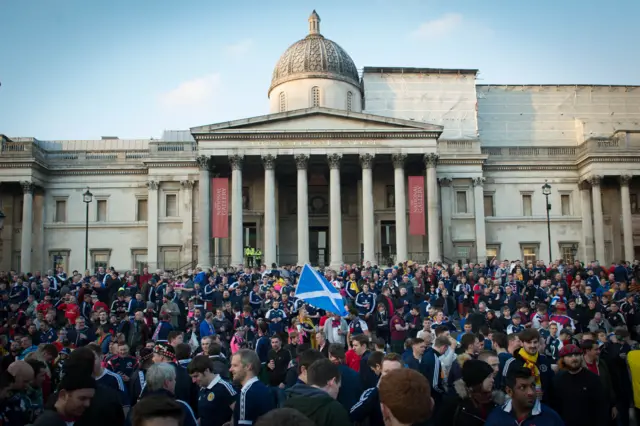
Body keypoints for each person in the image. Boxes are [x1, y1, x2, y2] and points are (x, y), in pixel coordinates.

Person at [550, 344, 608, 426]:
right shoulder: (557, 380)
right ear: (563, 359)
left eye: (577, 355)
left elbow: (601, 408)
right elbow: (555, 406)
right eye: (570, 356)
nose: (574, 358)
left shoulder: (593, 378)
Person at [485, 367, 564, 426]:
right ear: (509, 391)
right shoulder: (496, 417)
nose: (530, 392)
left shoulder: (551, 418)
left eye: (532, 386)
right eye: (522, 387)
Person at [283, 358, 351, 426]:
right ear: (332, 382)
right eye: (338, 386)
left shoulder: (287, 403)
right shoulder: (335, 411)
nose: (338, 390)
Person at [435, 359, 500, 426]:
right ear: (479, 380)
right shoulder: (455, 403)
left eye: (492, 377)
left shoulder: (495, 400)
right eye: (489, 377)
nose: (492, 380)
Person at [229, 349, 276, 426]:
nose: (230, 369)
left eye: (235, 365)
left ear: (248, 367)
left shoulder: (247, 393)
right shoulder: (263, 388)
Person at [188, 355, 236, 426]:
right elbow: (205, 416)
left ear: (207, 371)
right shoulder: (202, 389)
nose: (193, 381)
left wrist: (232, 422)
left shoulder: (224, 387)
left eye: (196, 376)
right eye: (192, 377)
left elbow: (238, 411)